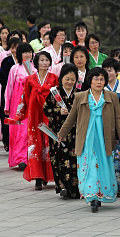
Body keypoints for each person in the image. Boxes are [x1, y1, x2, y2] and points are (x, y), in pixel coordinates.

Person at [58, 67, 120, 213]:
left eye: (102, 79)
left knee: (103, 165)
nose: (99, 82)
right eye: (96, 78)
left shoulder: (112, 97)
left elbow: (118, 118)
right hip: (87, 137)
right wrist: (62, 133)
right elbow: (72, 117)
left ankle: (101, 193)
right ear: (90, 80)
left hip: (104, 137)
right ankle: (92, 196)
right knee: (90, 164)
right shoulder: (81, 96)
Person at [15, 51, 58, 189]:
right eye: (42, 60)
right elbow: (25, 98)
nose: (45, 63)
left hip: (49, 117)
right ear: (36, 62)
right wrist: (20, 115)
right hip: (35, 117)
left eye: (47, 60)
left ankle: (50, 175)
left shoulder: (54, 79)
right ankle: (38, 177)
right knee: (35, 144)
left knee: (49, 144)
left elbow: (58, 97)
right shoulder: (30, 79)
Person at [43, 63, 80, 199]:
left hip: (75, 133)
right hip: (58, 133)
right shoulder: (54, 93)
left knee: (75, 160)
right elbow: (46, 109)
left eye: (72, 79)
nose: (70, 82)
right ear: (61, 79)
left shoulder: (79, 94)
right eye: (67, 79)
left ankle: (75, 188)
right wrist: (58, 111)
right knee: (58, 159)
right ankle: (63, 186)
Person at [5, 43, 36, 169]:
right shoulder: (15, 69)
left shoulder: (36, 68)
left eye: (29, 52)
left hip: (32, 104)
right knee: (19, 131)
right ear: (20, 54)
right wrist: (7, 105)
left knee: (30, 130)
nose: (27, 55)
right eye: (25, 52)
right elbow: (9, 88)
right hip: (18, 105)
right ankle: (20, 158)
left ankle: (31, 157)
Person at [102, 57, 120, 194]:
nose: (108, 73)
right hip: (104, 126)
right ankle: (109, 186)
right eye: (105, 70)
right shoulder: (100, 88)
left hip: (119, 125)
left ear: (117, 72)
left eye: (110, 70)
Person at [0, 37, 22, 153]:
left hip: (21, 94)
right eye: (13, 47)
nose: (15, 50)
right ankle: (8, 141)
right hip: (7, 92)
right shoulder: (6, 61)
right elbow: (1, 77)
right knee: (6, 116)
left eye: (17, 47)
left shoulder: (26, 62)